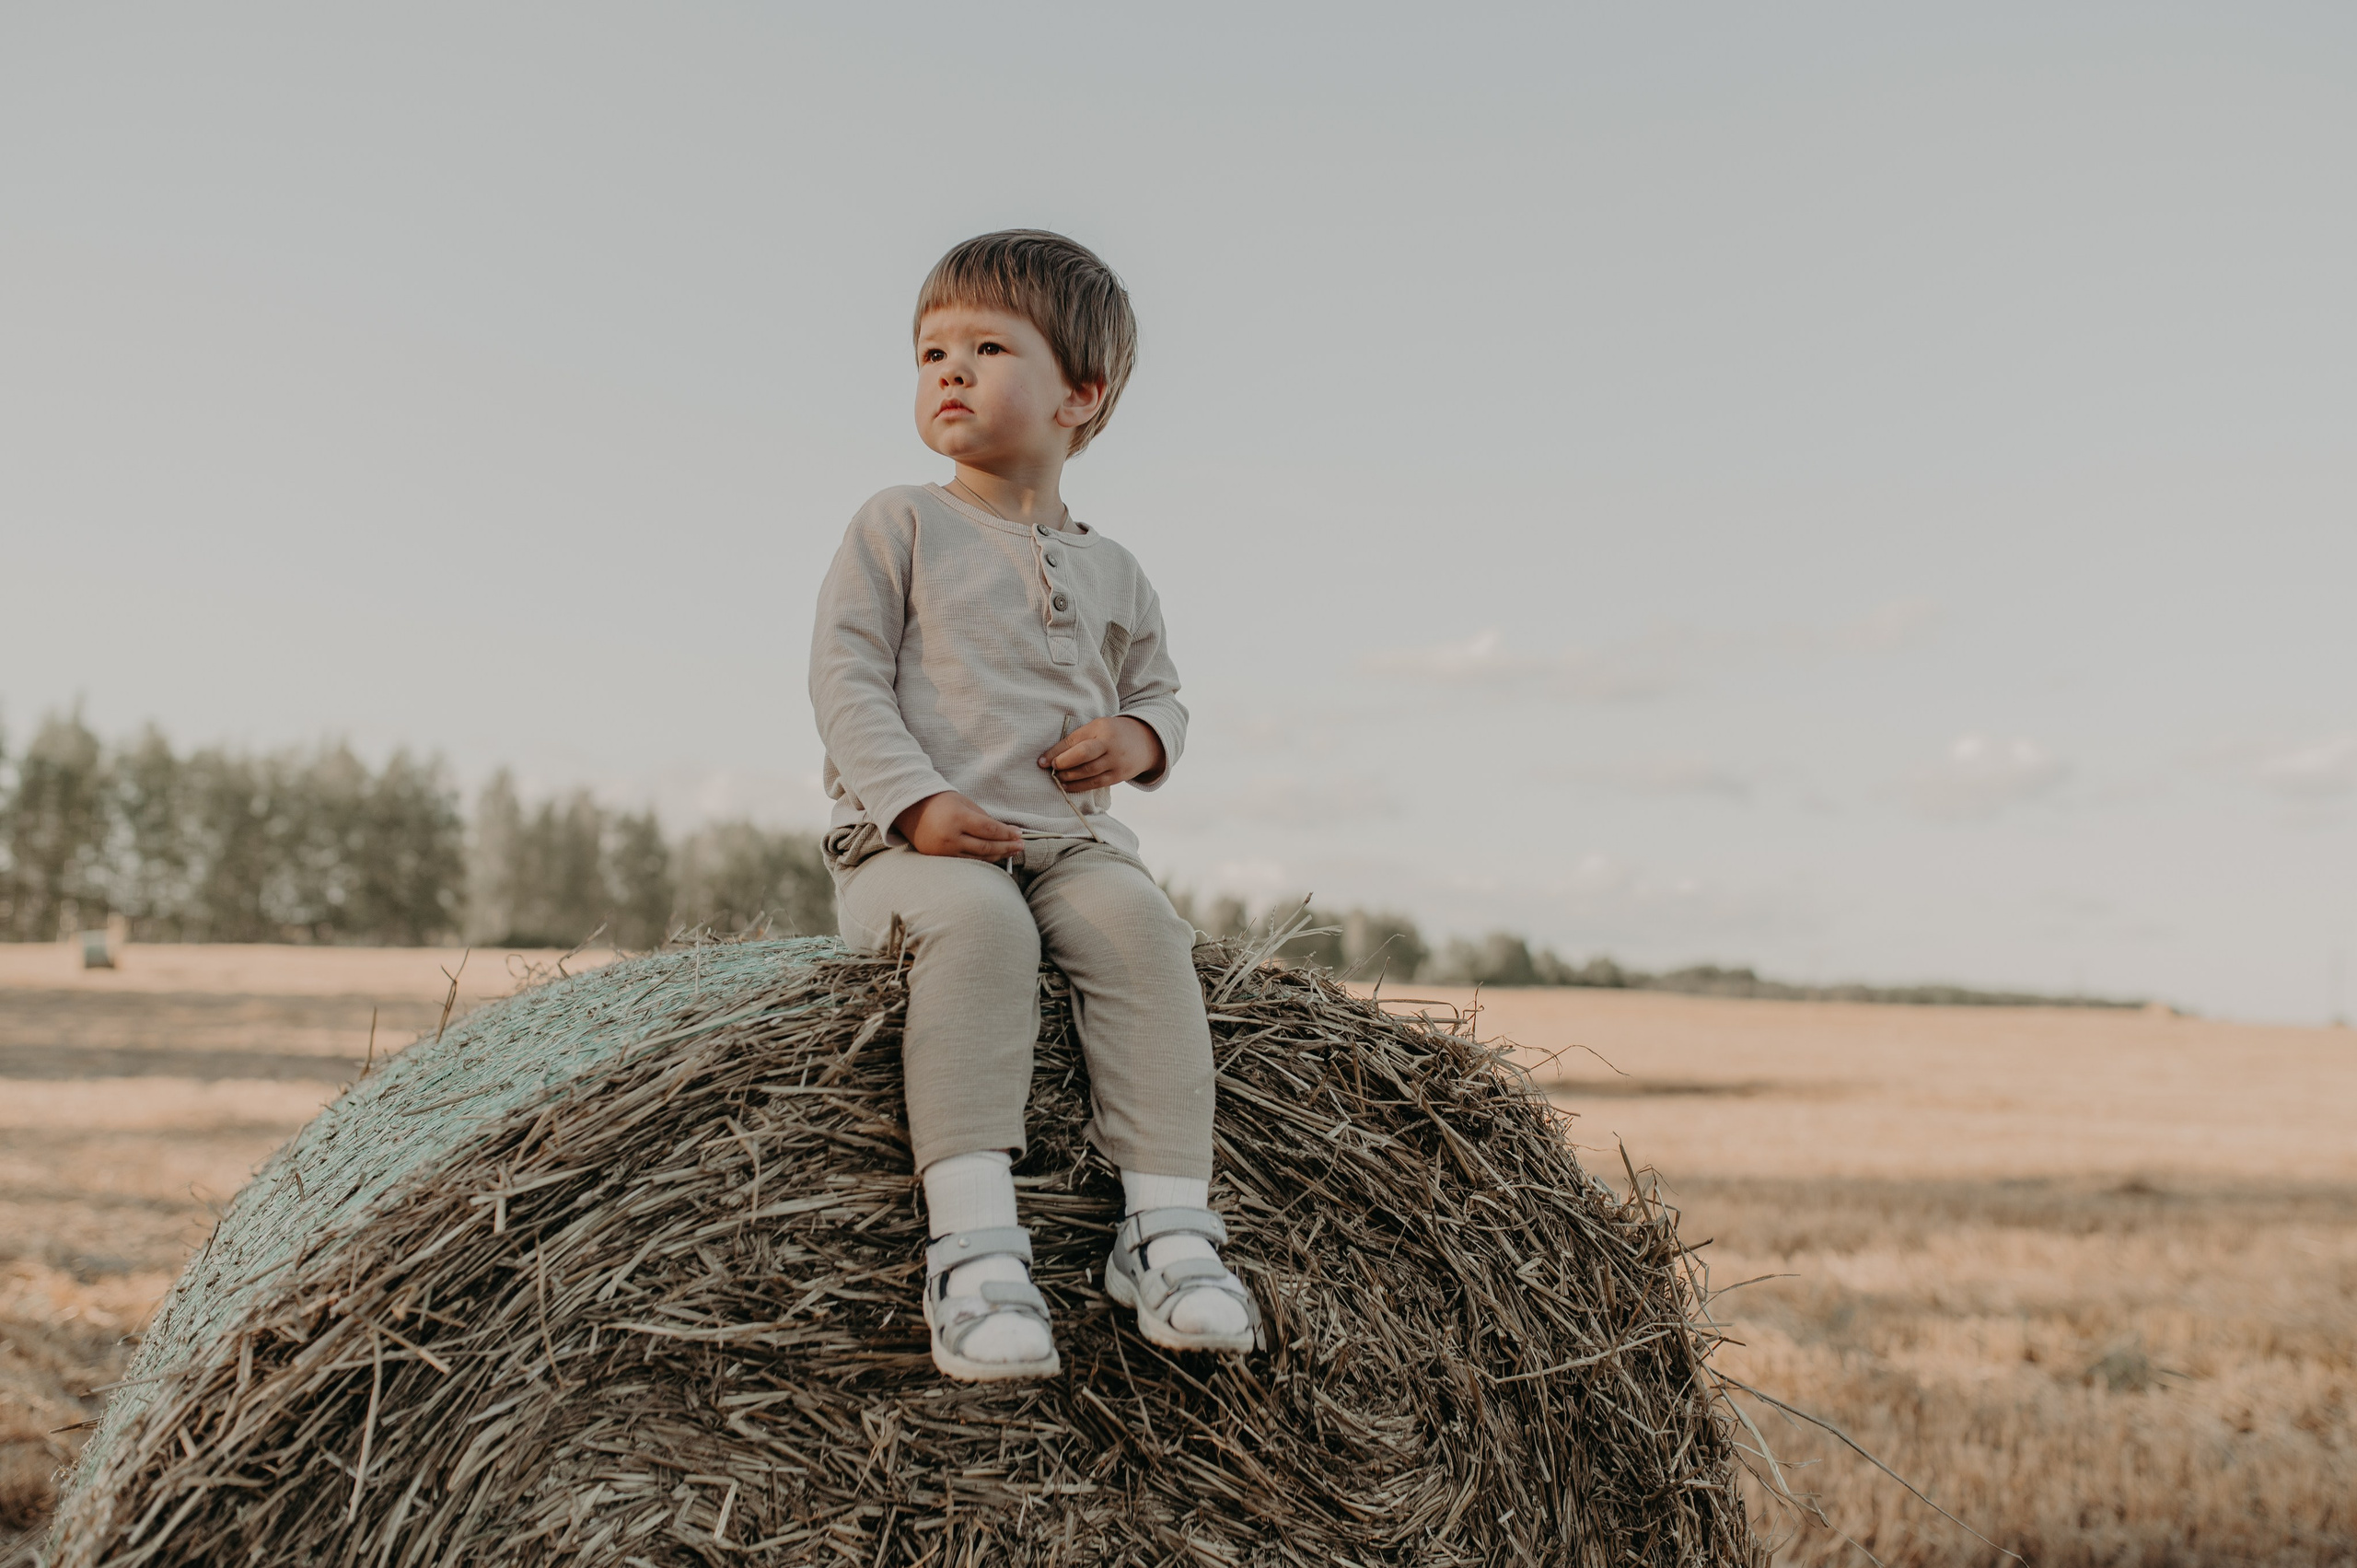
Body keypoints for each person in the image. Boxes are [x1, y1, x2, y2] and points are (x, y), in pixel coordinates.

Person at [808, 230, 1260, 1382]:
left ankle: (1167, 1233)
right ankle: (971, 1247)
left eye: (987, 346)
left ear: (1081, 393)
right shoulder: (898, 522)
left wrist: (1139, 735)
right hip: (909, 850)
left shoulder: (1117, 571)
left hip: (1072, 841)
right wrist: (914, 805)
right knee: (981, 928)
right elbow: (844, 676)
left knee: (1142, 931)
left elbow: (1160, 689)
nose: (947, 371)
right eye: (930, 352)